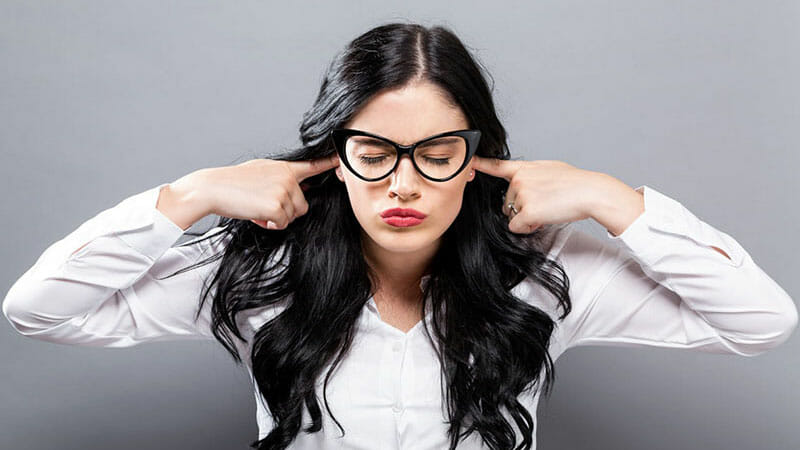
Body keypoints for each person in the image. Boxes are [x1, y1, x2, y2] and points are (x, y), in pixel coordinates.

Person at [2, 22, 797, 450]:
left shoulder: (549, 278)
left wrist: (613, 199)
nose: (405, 183)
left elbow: (763, 323)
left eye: (437, 154)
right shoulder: (259, 273)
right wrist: (190, 195)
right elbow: (39, 310)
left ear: (476, 157)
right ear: (334, 158)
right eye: (375, 153)